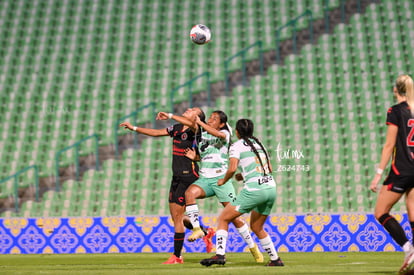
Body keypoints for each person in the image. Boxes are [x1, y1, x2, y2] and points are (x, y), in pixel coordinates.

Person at [160, 110, 263, 262]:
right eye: (210, 117)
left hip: (221, 180)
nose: (210, 120)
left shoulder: (225, 133)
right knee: (189, 194)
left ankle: (253, 247)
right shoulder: (202, 134)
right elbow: (205, 152)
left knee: (235, 218)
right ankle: (197, 229)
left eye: (215, 119)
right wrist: (195, 158)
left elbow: (218, 135)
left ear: (221, 124)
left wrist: (197, 122)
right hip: (205, 180)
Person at [119, 107, 214, 264]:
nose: (188, 109)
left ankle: (177, 256)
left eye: (193, 110)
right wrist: (134, 128)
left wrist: (170, 115)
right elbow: (156, 133)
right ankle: (205, 231)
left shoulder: (196, 129)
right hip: (176, 177)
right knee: (177, 218)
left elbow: (192, 124)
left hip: (188, 177)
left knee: (177, 218)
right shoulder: (177, 128)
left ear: (197, 118)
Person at [200, 118, 284, 267]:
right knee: (257, 227)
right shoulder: (259, 144)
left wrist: (223, 181)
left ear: (237, 132)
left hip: (254, 190)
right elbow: (269, 168)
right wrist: (243, 175)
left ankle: (220, 255)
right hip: (270, 188)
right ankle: (275, 259)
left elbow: (232, 169)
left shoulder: (236, 146)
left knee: (223, 219)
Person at [369, 74, 414, 274]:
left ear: (396, 90)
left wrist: (378, 174)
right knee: (412, 209)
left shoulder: (395, 111)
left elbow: (389, 145)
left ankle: (407, 248)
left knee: (381, 211)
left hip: (402, 170)